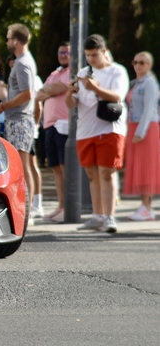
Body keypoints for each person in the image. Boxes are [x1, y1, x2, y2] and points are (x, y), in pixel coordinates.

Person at [65, 34, 129, 233]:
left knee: (106, 173)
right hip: (85, 130)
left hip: (110, 129)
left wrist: (94, 88)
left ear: (104, 51)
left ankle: (109, 217)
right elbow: (71, 104)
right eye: (88, 55)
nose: (91, 59)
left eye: (94, 55)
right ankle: (97, 216)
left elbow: (118, 96)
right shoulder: (84, 72)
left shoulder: (117, 71)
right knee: (92, 175)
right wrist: (69, 93)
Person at [0, 24, 38, 217]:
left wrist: (4, 106)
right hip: (18, 119)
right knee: (21, 165)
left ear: (16, 41)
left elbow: (27, 94)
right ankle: (25, 208)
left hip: (20, 120)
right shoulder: (23, 61)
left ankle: (27, 210)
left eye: (9, 38)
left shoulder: (22, 63)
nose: (7, 41)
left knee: (23, 166)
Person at [35, 42, 71, 222]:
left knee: (65, 169)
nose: (63, 55)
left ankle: (69, 208)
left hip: (63, 126)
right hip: (48, 126)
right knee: (55, 168)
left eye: (67, 52)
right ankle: (61, 205)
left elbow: (54, 89)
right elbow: (40, 94)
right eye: (61, 51)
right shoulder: (54, 73)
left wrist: (48, 90)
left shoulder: (72, 72)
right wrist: (48, 91)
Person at [123, 52, 160, 221]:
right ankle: (144, 206)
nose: (138, 65)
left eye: (142, 62)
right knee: (139, 167)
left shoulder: (150, 84)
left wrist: (140, 132)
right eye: (135, 61)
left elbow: (149, 109)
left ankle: (147, 207)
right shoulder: (135, 83)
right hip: (134, 126)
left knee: (147, 168)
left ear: (149, 65)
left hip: (146, 128)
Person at [7, 53, 43, 219]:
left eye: (13, 66)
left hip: (25, 123)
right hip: (20, 123)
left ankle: (31, 206)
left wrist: (34, 126)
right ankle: (26, 205)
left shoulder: (29, 78)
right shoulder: (19, 79)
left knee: (27, 166)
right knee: (24, 165)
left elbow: (37, 104)